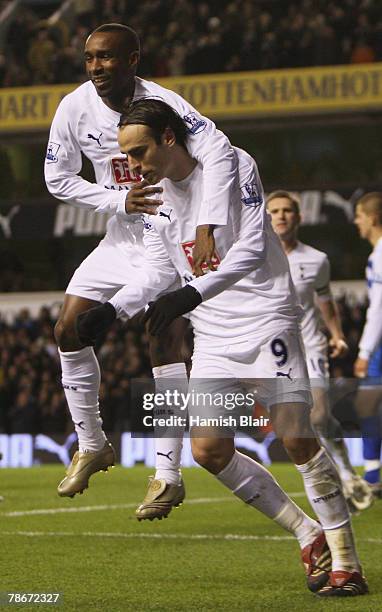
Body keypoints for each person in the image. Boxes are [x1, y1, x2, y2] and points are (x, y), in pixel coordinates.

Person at [79, 98, 368, 597]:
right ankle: (307, 533)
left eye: (141, 152)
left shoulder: (233, 165)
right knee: (209, 450)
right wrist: (115, 309)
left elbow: (252, 250)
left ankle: (347, 561)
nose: (135, 166)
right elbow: (158, 271)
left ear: (169, 138)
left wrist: (188, 294)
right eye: (127, 156)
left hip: (266, 320)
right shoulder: (152, 196)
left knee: (297, 438)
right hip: (212, 333)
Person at [44, 23, 238, 519]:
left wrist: (207, 223)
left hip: (166, 233)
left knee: (162, 335)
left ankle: (168, 475)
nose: (95, 68)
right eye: (89, 58)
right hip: (119, 234)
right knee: (67, 328)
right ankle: (93, 445)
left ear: (133, 59)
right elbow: (57, 179)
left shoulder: (163, 102)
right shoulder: (73, 107)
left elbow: (216, 148)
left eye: (106, 58)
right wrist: (115, 199)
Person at [267, 190, 373, 512]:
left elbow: (325, 303)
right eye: (275, 211)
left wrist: (338, 334)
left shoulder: (316, 260)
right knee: (295, 428)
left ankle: (344, 471)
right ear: (265, 217)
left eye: (287, 210)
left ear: (299, 217)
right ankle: (332, 481)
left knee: (320, 414)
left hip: (309, 345)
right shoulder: (254, 257)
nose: (281, 216)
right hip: (272, 350)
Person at [353, 192, 382, 497]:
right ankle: (373, 474)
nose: (356, 221)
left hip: (379, 347)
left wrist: (364, 351)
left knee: (367, 404)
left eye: (359, 215)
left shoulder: (380, 255)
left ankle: (372, 475)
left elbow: (378, 308)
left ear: (372, 218)